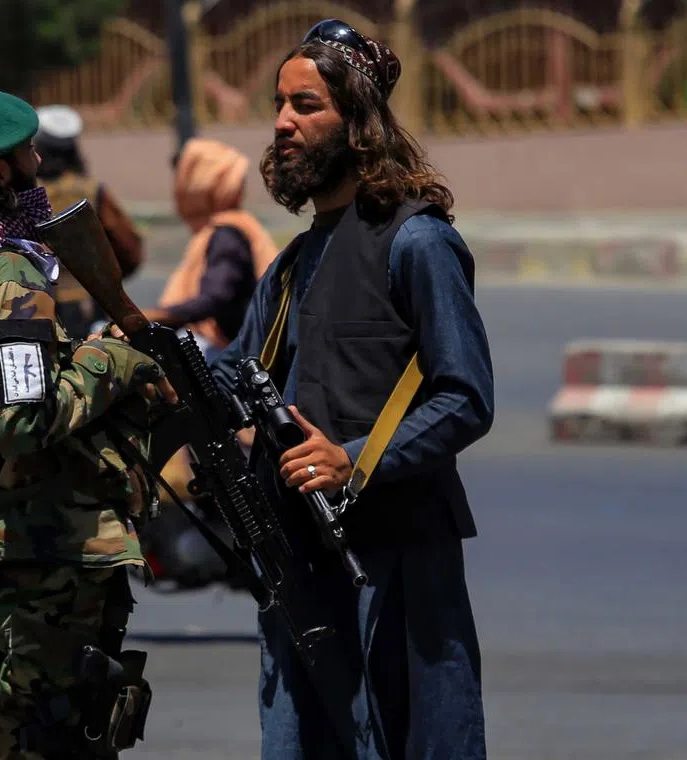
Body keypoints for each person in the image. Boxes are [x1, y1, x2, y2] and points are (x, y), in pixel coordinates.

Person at [210, 20, 495, 760]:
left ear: (357, 120)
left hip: (398, 560)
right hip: (303, 563)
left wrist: (355, 460)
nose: (281, 123)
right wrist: (140, 355)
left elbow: (465, 396)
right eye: (279, 104)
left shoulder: (418, 243)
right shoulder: (295, 261)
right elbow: (237, 379)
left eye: (305, 105)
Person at [0, 88, 174, 760]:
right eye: (28, 153)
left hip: (11, 552)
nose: (40, 162)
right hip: (49, 559)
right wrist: (117, 358)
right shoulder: (11, 272)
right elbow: (24, 418)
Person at [142, 137, 280, 363]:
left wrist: (157, 316)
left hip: (229, 352)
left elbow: (215, 297)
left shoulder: (227, 235)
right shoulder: (229, 227)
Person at [34, 104, 145, 338]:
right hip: (89, 303)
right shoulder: (93, 191)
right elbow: (128, 247)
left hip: (39, 301)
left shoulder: (29, 193)